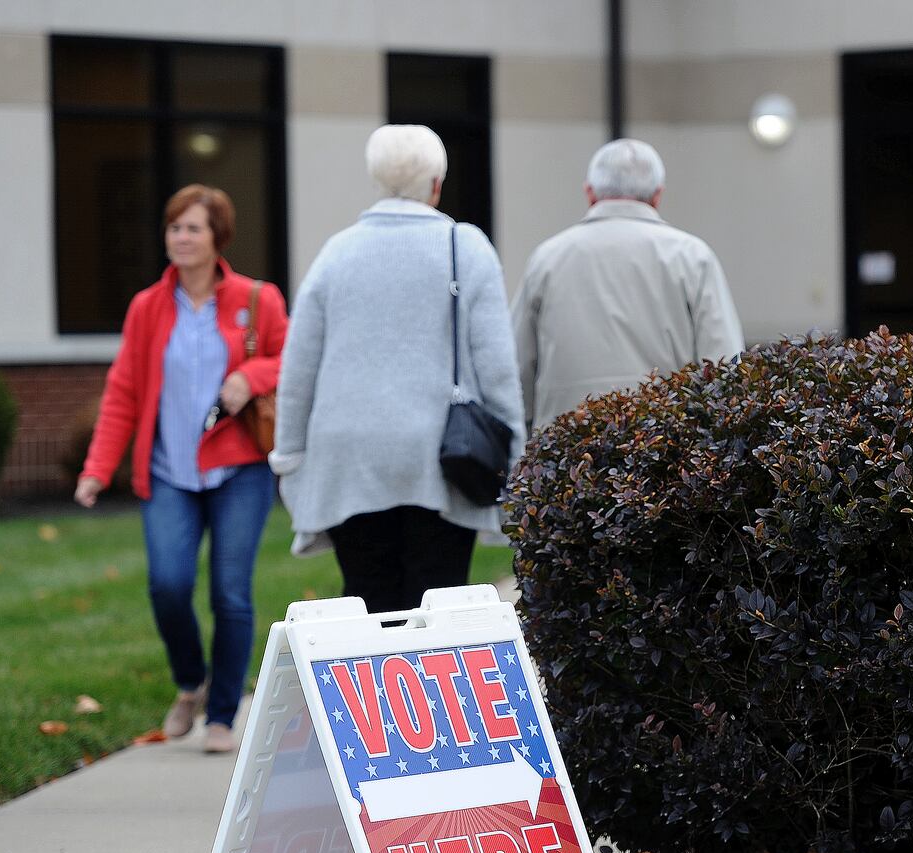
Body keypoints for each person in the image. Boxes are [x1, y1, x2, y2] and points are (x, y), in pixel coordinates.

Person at [270, 124, 524, 614]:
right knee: (438, 606)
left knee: (368, 601)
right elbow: (497, 367)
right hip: (442, 458)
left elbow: (299, 367)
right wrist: (514, 450)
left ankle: (370, 692)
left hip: (348, 457)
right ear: (436, 183)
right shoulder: (466, 247)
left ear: (377, 178)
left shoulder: (335, 254)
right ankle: (425, 693)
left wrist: (289, 456)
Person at [75, 184, 287, 753]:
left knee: (231, 595)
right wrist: (98, 468)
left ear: (218, 235)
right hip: (169, 470)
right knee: (168, 586)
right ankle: (191, 682)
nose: (181, 237)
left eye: (193, 228)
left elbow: (290, 357)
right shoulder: (148, 306)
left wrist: (253, 377)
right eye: (174, 227)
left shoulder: (256, 299)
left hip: (239, 469)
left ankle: (221, 715)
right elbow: (122, 391)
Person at [511, 138, 745, 429]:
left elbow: (516, 369)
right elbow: (723, 368)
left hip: (562, 452)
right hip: (662, 451)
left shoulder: (546, 259)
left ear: (589, 193)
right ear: (658, 196)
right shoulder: (693, 258)